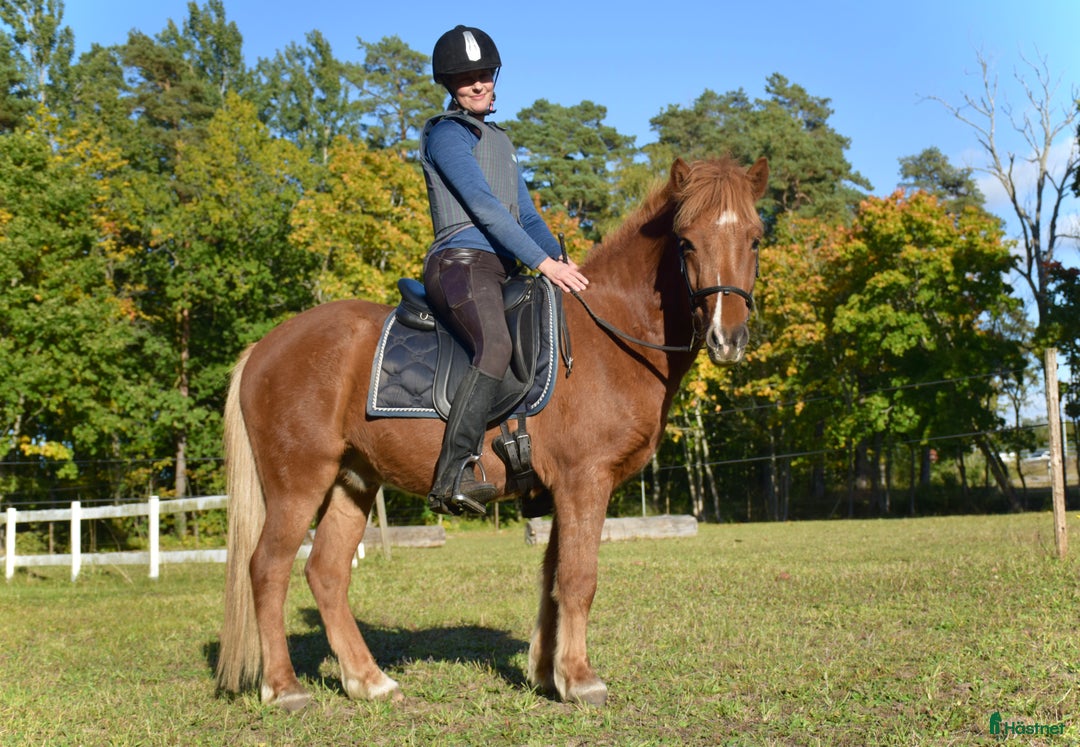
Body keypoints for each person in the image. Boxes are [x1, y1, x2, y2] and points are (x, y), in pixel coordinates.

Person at [421, 25, 588, 516]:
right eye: (464, 78)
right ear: (451, 86)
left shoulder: (502, 140)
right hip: (461, 264)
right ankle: (450, 475)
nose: (477, 85)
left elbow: (527, 216)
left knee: (549, 339)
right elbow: (485, 208)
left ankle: (526, 472)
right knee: (495, 344)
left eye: (483, 75)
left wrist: (559, 262)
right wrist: (542, 263)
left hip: (505, 267)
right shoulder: (446, 133)